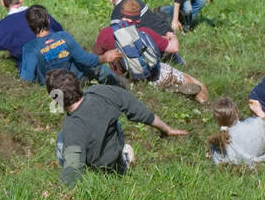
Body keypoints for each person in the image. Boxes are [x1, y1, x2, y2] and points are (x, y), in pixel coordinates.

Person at [43, 68, 186, 187]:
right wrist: (166, 129)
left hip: (98, 166)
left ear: (56, 100)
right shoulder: (102, 91)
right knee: (114, 122)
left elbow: (73, 168)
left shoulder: (72, 127)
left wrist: (63, 195)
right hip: (112, 153)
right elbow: (141, 112)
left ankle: (94, 173)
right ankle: (122, 160)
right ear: (78, 84)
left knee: (62, 139)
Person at [95, 0, 208, 102]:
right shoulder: (144, 31)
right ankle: (203, 103)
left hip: (124, 81)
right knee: (195, 84)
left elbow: (95, 58)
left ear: (121, 14)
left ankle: (166, 90)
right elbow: (174, 48)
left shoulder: (106, 33)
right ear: (139, 18)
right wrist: (172, 35)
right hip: (154, 76)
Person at [19, 6, 122, 86]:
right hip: (76, 82)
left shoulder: (29, 48)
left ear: (30, 25)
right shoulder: (63, 36)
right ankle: (121, 91)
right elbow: (84, 59)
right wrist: (104, 58)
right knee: (98, 67)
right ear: (48, 20)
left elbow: (26, 79)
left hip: (53, 90)